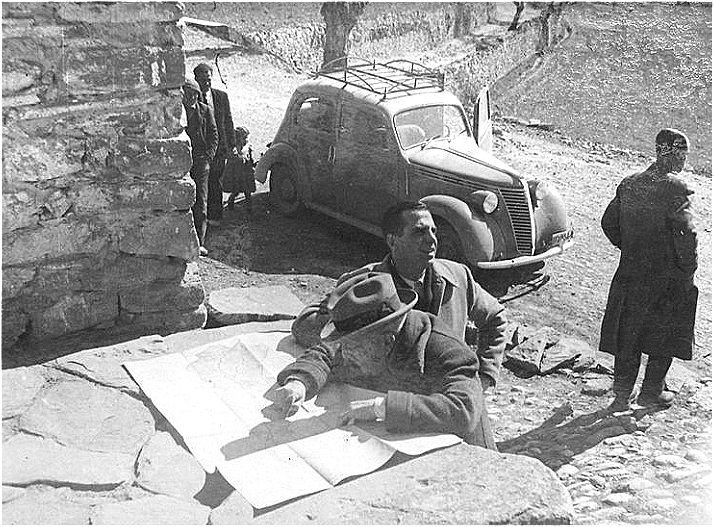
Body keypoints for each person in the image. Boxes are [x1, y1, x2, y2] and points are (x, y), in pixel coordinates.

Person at [291, 201, 508, 391]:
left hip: (446, 396)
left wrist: (486, 376)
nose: (432, 240)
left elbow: (496, 317)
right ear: (393, 241)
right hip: (390, 399)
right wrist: (337, 304)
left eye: (434, 231)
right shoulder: (368, 285)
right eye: (419, 232)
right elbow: (305, 328)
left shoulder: (458, 276)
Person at [274, 272, 497, 448]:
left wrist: (380, 408)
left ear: (387, 341)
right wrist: (300, 382)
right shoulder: (363, 339)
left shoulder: (445, 350)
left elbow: (463, 411)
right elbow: (326, 353)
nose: (346, 356)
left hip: (464, 454)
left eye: (353, 349)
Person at [599, 128, 698, 411]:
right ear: (675, 154)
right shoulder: (676, 189)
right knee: (663, 333)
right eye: (683, 154)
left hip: (631, 273)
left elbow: (609, 223)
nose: (684, 160)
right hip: (665, 278)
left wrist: (629, 247)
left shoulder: (630, 183)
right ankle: (651, 392)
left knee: (627, 332)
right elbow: (687, 234)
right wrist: (686, 270)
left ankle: (621, 394)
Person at [193, 62, 237, 227]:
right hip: (202, 151)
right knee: (201, 185)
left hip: (219, 150)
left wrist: (232, 145)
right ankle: (200, 220)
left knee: (216, 181)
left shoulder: (221, 97)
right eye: (203, 80)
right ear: (196, 79)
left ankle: (215, 217)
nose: (207, 83)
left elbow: (228, 122)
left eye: (209, 79)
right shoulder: (192, 97)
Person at [182, 78, 218, 257]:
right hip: (182, 161)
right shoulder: (178, 112)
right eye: (189, 94)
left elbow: (213, 135)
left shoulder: (205, 111)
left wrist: (208, 158)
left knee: (201, 202)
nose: (192, 98)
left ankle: (199, 242)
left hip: (201, 161)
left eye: (195, 94)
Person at [223, 126, 257, 212]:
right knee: (236, 190)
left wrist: (253, 164)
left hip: (246, 172)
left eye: (246, 138)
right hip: (237, 173)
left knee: (247, 191)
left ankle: (249, 208)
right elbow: (232, 158)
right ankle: (230, 202)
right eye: (244, 138)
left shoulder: (248, 147)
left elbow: (251, 158)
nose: (246, 140)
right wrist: (240, 158)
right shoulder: (234, 149)